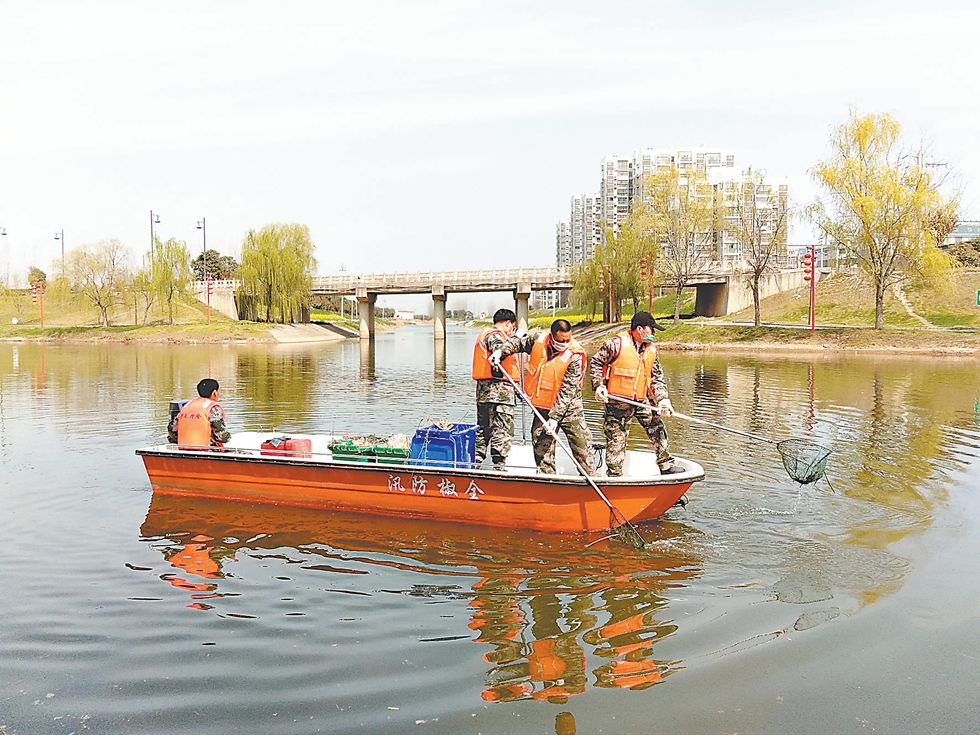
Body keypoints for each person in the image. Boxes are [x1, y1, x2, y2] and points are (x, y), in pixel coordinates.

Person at [589, 311, 683, 476]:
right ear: (639, 329)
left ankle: (666, 465)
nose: (653, 334)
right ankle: (615, 476)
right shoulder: (614, 344)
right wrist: (598, 386)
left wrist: (663, 400)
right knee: (616, 439)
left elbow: (657, 378)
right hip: (617, 402)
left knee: (657, 427)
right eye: (651, 329)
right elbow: (596, 362)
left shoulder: (651, 350)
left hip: (641, 400)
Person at [496, 319, 594, 475]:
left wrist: (555, 418)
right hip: (542, 406)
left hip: (569, 408)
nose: (565, 343)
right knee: (541, 446)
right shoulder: (538, 340)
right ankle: (547, 478)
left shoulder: (575, 354)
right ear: (552, 336)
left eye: (568, 339)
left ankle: (590, 477)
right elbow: (518, 344)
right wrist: (500, 352)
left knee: (582, 446)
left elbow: (567, 391)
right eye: (562, 340)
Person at [472, 308, 519, 469]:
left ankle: (475, 462)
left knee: (483, 428)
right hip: (500, 392)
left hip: (484, 392)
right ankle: (499, 466)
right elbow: (499, 348)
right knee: (502, 429)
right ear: (508, 323)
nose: (512, 331)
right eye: (512, 327)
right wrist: (514, 341)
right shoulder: (495, 335)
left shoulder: (485, 333)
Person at [168, 378, 231, 448]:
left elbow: (172, 431)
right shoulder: (213, 408)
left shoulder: (187, 406)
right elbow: (222, 437)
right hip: (206, 451)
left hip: (183, 449)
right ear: (215, 393)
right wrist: (228, 437)